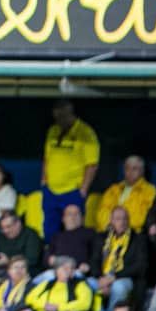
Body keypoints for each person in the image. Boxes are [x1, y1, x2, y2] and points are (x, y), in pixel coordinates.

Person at [41, 100, 99, 238]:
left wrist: (83, 189)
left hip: (72, 190)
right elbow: (46, 158)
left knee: (74, 228)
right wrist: (44, 181)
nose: (59, 121)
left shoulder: (86, 133)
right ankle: (50, 254)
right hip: (51, 190)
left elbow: (92, 164)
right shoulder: (53, 130)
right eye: (56, 117)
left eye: (62, 117)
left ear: (70, 114)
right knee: (49, 227)